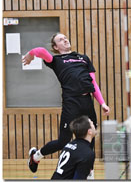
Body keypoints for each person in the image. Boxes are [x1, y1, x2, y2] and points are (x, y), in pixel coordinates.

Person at [22, 33, 110, 178]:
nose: (65, 39)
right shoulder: (56, 60)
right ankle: (36, 156)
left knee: (90, 138)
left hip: (87, 102)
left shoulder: (83, 58)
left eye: (65, 38)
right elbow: (41, 51)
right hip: (71, 103)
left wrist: (103, 103)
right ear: (56, 47)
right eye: (60, 40)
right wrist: (31, 55)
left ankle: (89, 173)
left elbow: (93, 83)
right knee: (63, 141)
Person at [51, 115, 96, 180]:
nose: (95, 125)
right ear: (89, 131)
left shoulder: (69, 145)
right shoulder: (87, 153)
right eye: (92, 124)